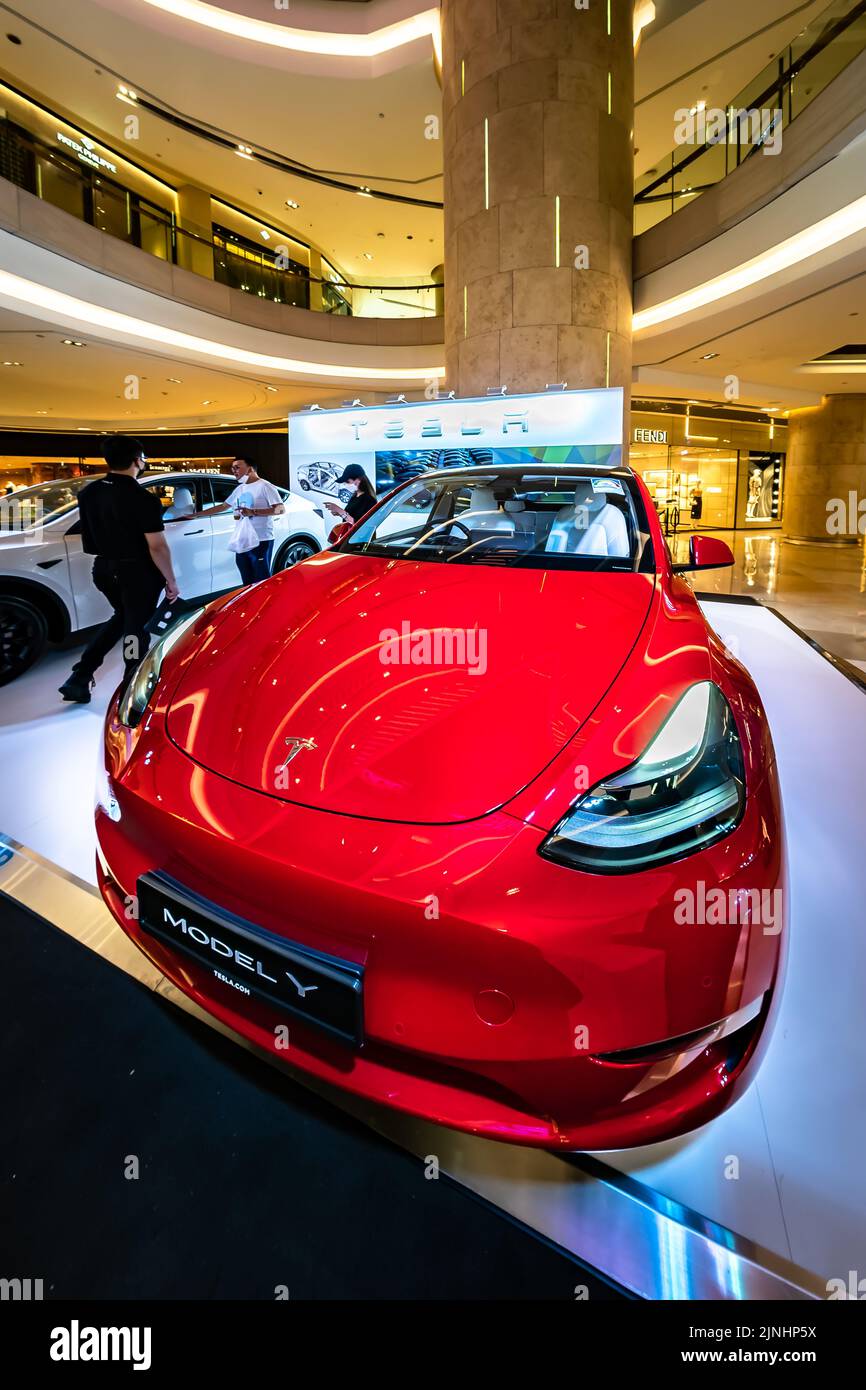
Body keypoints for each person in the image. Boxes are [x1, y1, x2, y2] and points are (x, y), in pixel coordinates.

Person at [58, 437, 179, 705]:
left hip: (103, 569)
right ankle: (132, 688)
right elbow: (157, 546)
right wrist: (171, 580)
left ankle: (80, 675)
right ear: (138, 460)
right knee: (136, 630)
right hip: (138, 572)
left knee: (122, 616)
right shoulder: (142, 498)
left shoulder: (89, 493)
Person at [208, 457, 285, 585]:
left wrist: (253, 512)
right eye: (232, 468)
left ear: (250, 469)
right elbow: (223, 507)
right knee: (247, 581)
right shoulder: (240, 489)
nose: (234, 470)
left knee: (261, 582)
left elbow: (280, 509)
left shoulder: (265, 486)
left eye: (237, 467)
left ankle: (265, 604)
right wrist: (195, 515)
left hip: (261, 540)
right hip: (242, 540)